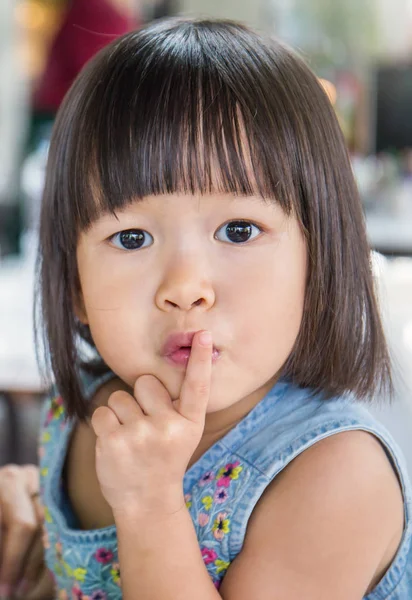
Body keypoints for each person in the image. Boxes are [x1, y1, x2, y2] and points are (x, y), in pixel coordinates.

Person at [0, 17, 411, 599]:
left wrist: (148, 506)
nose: (186, 287)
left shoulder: (338, 475)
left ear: (320, 259)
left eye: (239, 229)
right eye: (133, 238)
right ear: (75, 287)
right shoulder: (77, 415)